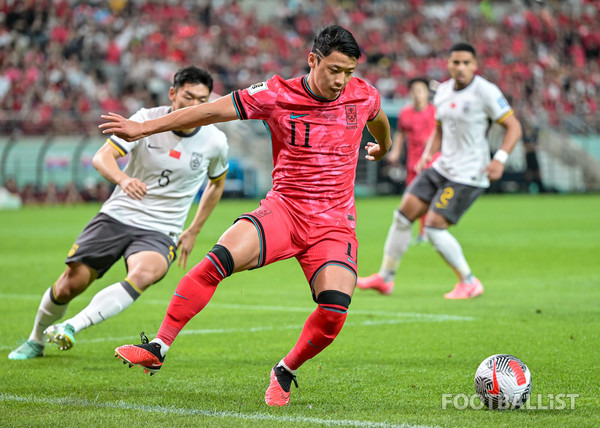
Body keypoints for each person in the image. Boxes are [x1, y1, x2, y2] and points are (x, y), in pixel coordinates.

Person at [101, 25, 392, 407]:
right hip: (284, 211)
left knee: (335, 309)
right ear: (312, 60)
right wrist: (143, 128)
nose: (340, 80)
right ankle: (158, 346)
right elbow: (208, 111)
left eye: (348, 72)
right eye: (333, 69)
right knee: (216, 261)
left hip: (334, 224)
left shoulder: (362, 94)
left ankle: (285, 370)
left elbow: (378, 118)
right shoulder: (276, 94)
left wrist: (383, 147)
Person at [8, 66, 229, 360]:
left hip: (162, 229)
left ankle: (72, 326)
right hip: (118, 215)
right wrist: (124, 179)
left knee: (147, 272)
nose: (195, 107)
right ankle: (36, 340)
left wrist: (194, 230)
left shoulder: (215, 141)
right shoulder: (145, 120)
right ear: (173, 93)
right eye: (188, 97)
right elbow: (102, 157)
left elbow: (216, 185)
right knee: (70, 283)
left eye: (203, 101)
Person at [357, 42, 522, 299]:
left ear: (475, 66)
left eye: (466, 63)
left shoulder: (486, 92)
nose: (460, 67)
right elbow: (440, 128)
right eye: (456, 62)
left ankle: (469, 281)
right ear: (448, 64)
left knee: (433, 227)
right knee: (402, 216)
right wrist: (427, 156)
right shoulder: (443, 91)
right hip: (441, 167)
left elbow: (514, 127)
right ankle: (385, 278)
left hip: (468, 174)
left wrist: (499, 159)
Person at [384, 77, 436, 245]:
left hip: (432, 163)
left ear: (427, 93)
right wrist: (395, 152)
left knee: (428, 198)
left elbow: (443, 134)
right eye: (414, 91)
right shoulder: (405, 113)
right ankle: (417, 233)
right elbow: (400, 134)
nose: (417, 94)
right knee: (411, 199)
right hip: (413, 163)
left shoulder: (435, 112)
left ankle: (426, 232)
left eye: (420, 90)